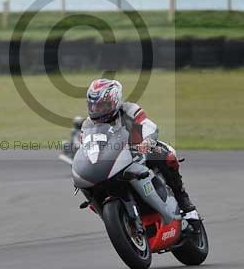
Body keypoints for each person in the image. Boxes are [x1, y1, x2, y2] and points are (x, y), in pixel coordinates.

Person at [82, 78, 196, 212]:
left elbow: (148, 126)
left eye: (101, 105)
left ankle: (182, 197)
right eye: (92, 105)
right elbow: (86, 146)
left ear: (114, 102)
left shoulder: (129, 109)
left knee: (165, 154)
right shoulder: (88, 124)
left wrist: (146, 142)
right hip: (110, 163)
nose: (96, 109)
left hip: (137, 153)